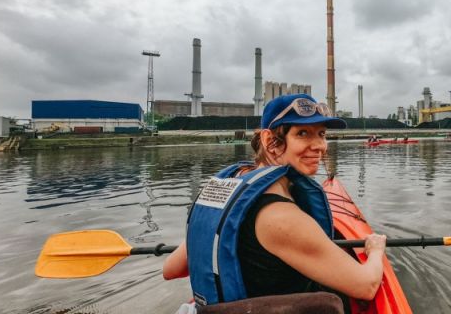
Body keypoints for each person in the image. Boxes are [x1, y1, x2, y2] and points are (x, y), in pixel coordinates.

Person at [163, 94, 386, 307]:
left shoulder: (233, 183)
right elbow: (366, 286)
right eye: (303, 134)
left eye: (322, 134)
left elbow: (171, 268)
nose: (320, 146)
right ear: (270, 140)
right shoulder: (280, 217)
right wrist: (375, 249)